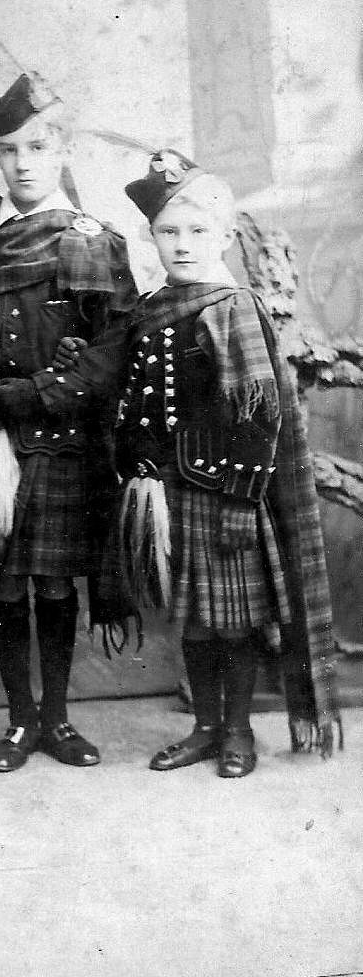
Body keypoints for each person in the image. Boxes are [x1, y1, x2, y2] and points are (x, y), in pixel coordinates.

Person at [90, 149, 342, 777]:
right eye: (168, 231)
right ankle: (204, 727)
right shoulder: (151, 309)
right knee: (196, 623)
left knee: (233, 622)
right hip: (167, 492)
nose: (182, 244)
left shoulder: (230, 306)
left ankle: (237, 731)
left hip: (221, 492)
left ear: (225, 237)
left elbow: (258, 414)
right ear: (152, 237)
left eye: (197, 230)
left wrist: (238, 502)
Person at [0, 73, 138, 774]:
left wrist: (39, 392)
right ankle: (20, 723)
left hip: (59, 437)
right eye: (8, 150)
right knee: (2, 582)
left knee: (54, 583)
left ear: (63, 149)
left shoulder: (92, 240)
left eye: (37, 147)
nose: (22, 163)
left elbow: (114, 348)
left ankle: (56, 719)